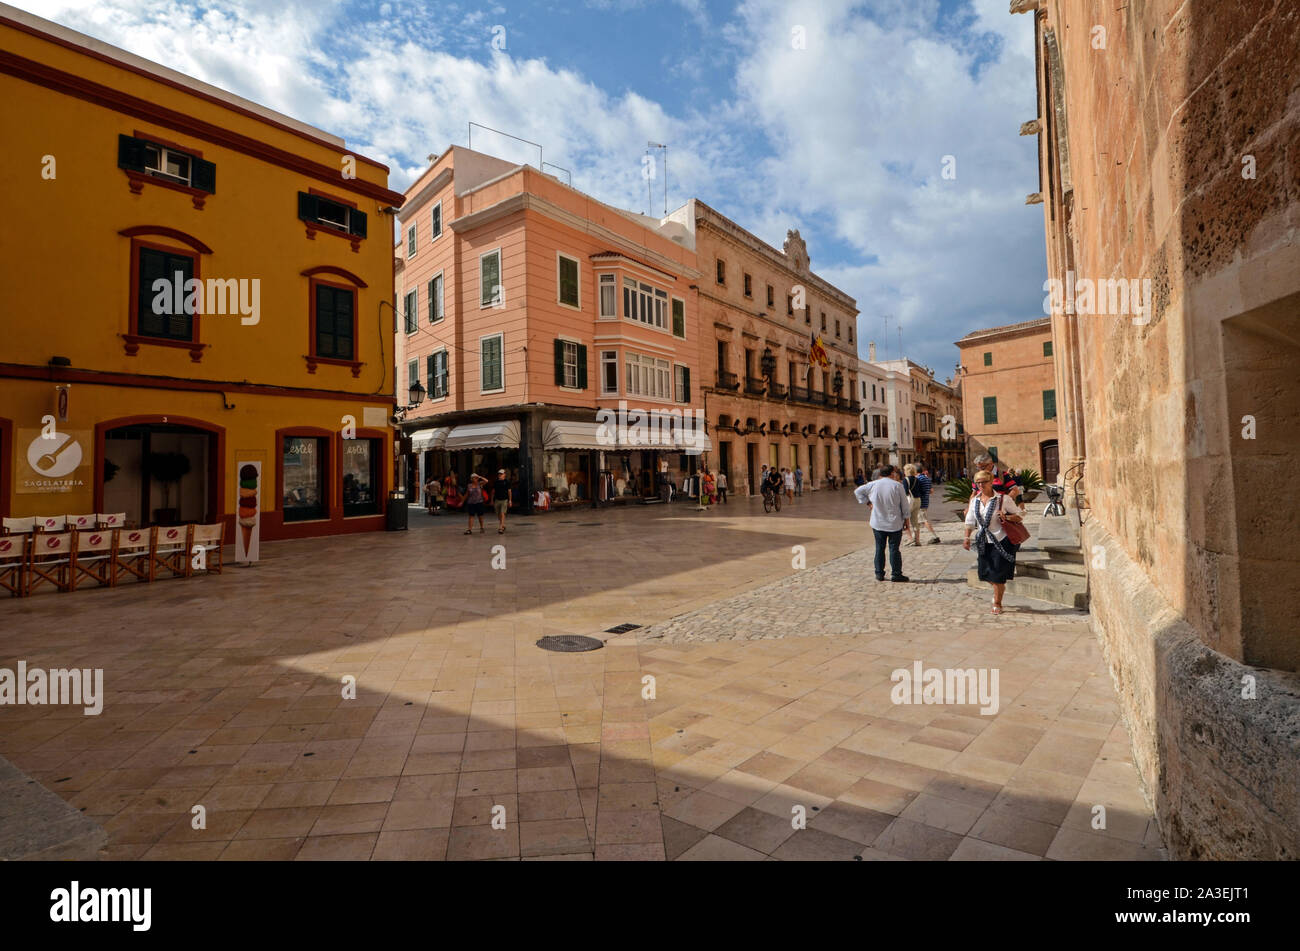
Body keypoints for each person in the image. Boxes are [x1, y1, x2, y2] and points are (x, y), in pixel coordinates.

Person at [964, 469, 1024, 614]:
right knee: (984, 573)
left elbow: (1020, 516)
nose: (980, 485)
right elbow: (970, 521)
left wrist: (1007, 517)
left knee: (997, 574)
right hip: (983, 541)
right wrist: (966, 538)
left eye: (984, 482)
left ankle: (997, 603)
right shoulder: (975, 501)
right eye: (978, 483)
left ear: (991, 482)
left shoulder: (1003, 499)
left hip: (1001, 540)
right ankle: (999, 588)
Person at [855, 464, 911, 582]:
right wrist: (907, 521)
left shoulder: (873, 484)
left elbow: (858, 491)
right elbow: (905, 506)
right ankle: (896, 574)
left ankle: (879, 573)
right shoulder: (897, 486)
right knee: (894, 549)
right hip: (894, 523)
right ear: (892, 473)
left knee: (879, 548)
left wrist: (868, 503)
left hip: (878, 522)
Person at [915, 463, 941, 544]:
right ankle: (916, 539)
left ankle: (935, 536)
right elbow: (931, 491)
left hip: (920, 502)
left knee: (924, 520)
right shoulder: (927, 479)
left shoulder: (918, 479)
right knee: (918, 521)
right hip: (926, 501)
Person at [903, 464, 923, 546]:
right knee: (915, 521)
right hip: (918, 500)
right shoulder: (917, 479)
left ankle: (910, 538)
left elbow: (905, 492)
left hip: (909, 501)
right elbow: (921, 490)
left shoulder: (906, 479)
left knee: (905, 520)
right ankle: (917, 540)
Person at [492, 468, 512, 534]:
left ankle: (500, 527)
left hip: (504, 500)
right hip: (497, 500)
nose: (500, 475)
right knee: (498, 514)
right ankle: (502, 525)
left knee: (502, 513)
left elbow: (509, 491)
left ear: (504, 475)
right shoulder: (496, 482)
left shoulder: (507, 482)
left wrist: (510, 500)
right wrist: (492, 500)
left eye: (501, 474)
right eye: (499, 474)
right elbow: (493, 491)